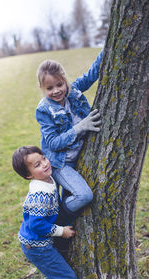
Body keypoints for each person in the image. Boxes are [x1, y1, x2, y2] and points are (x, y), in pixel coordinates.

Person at [35, 51, 103, 221]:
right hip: (61, 163)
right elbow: (53, 143)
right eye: (49, 88)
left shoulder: (73, 91)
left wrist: (107, 48)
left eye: (59, 84)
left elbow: (92, 74)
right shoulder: (44, 110)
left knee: (70, 196)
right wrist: (79, 128)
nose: (56, 91)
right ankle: (61, 217)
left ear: (64, 80)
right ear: (42, 88)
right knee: (84, 196)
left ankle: (64, 232)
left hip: (78, 157)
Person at [12, 145, 77, 279]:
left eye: (43, 158)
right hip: (37, 246)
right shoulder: (40, 195)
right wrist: (61, 231)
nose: (45, 164)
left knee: (52, 277)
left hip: (35, 243)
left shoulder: (47, 179)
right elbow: (36, 224)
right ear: (29, 175)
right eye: (37, 165)